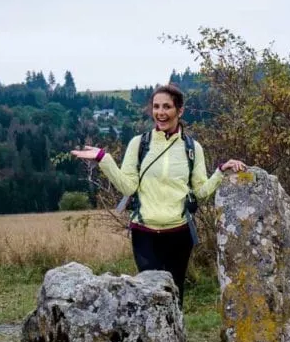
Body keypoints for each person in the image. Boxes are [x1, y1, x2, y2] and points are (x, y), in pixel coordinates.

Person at [72, 83, 245, 305]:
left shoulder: (192, 149)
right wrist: (104, 159)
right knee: (148, 293)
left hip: (179, 232)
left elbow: (200, 192)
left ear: (179, 111)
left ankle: (176, 338)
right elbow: (128, 188)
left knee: (175, 292)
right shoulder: (139, 144)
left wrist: (221, 171)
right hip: (144, 232)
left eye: (167, 107)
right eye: (156, 107)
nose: (160, 113)